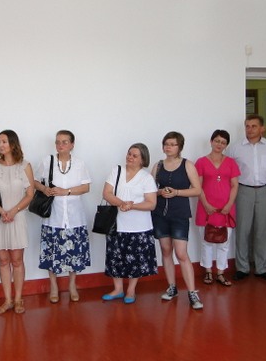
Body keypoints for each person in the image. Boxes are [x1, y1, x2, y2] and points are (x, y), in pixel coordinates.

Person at [34, 130, 91, 303]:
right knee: (52, 254)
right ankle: (54, 286)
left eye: (65, 142)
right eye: (58, 142)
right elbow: (34, 181)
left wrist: (66, 191)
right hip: (53, 216)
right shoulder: (47, 161)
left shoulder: (79, 164)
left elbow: (86, 187)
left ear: (72, 145)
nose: (60, 145)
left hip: (75, 217)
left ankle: (72, 285)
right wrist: (45, 189)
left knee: (74, 254)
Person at [0, 130, 35, 315]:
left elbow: (30, 194)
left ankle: (19, 298)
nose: (0, 145)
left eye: (4, 141)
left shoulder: (25, 166)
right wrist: (2, 211)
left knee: (17, 260)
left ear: (13, 144)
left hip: (17, 218)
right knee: (3, 261)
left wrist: (13, 211)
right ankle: (7, 300)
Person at [228, 114, 266, 281]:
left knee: (263, 230)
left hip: (265, 190)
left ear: (262, 128)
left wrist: (264, 182)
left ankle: (262, 268)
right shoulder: (235, 148)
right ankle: (242, 268)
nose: (250, 129)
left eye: (254, 126)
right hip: (243, 190)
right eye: (247, 126)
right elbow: (229, 171)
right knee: (243, 229)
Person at [152, 132, 204, 310]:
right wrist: (160, 192)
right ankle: (172, 287)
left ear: (180, 147)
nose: (168, 147)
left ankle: (192, 292)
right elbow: (150, 189)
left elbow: (197, 190)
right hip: (160, 214)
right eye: (166, 144)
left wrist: (177, 192)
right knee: (166, 251)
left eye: (172, 144)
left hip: (179, 214)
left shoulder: (187, 164)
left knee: (181, 254)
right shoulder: (158, 165)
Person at [101, 143, 157, 304]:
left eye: (134, 155)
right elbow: (106, 193)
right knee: (115, 258)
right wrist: (122, 203)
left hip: (139, 227)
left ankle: (131, 290)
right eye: (129, 153)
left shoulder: (146, 178)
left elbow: (151, 203)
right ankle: (118, 289)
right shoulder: (116, 171)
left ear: (142, 159)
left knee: (136, 260)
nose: (130, 157)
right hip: (117, 224)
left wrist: (132, 206)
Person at [195, 130, 240, 287]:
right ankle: (208, 271)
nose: (219, 144)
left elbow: (235, 185)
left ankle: (221, 272)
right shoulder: (201, 162)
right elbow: (198, 186)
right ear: (211, 141)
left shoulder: (231, 163)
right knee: (206, 241)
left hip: (226, 209)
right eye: (217, 141)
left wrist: (229, 205)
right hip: (206, 208)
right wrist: (206, 204)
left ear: (226, 145)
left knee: (224, 243)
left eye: (223, 142)